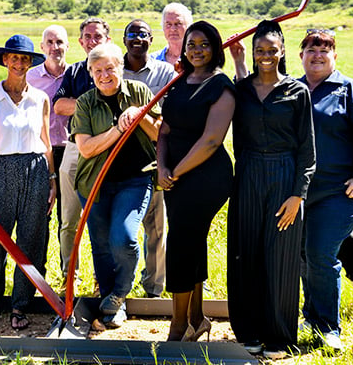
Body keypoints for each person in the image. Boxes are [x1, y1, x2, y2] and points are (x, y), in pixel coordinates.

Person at [227, 20, 316, 360]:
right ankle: (248, 332)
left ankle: (278, 338)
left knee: (280, 259)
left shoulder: (298, 92)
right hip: (247, 173)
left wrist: (298, 195)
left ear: (282, 52)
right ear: (253, 53)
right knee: (245, 253)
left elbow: (308, 150)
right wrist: (236, 62)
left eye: (272, 50)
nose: (266, 56)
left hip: (284, 176)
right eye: (259, 50)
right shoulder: (242, 89)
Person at [298, 29, 353, 352]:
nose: (317, 56)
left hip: (345, 190)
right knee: (305, 252)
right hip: (306, 190)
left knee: (320, 250)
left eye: (325, 51)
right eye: (311, 50)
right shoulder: (295, 88)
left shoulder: (351, 92)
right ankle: (311, 316)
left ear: (335, 56)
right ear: (301, 55)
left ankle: (329, 328)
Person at [72, 43, 162, 328]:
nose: (105, 75)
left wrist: (139, 114)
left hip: (135, 180)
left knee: (122, 238)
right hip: (95, 183)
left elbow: (159, 132)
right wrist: (118, 130)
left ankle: (119, 293)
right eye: (98, 71)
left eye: (110, 68)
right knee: (100, 245)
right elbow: (86, 149)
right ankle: (111, 303)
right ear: (90, 74)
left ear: (120, 68)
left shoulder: (139, 92)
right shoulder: (86, 102)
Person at [156, 21, 235, 341]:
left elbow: (212, 140)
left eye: (204, 44)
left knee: (179, 244)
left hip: (206, 177)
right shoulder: (178, 82)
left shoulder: (222, 86)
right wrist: (162, 167)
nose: (197, 49)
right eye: (191, 44)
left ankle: (178, 327)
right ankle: (197, 318)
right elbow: (164, 130)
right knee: (191, 242)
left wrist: (175, 172)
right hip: (174, 177)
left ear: (215, 48)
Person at [0, 34, 56, 331]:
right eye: (14, 58)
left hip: (35, 168)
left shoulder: (41, 98)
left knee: (31, 239)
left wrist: (52, 180)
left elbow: (46, 142)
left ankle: (20, 305)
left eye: (25, 59)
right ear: (5, 61)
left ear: (31, 63)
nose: (19, 63)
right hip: (2, 169)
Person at [52, 17, 111, 286]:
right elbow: (59, 106)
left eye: (97, 36)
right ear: (80, 42)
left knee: (103, 219)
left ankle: (104, 278)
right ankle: (69, 277)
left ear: (107, 40)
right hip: (74, 148)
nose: (92, 41)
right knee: (68, 220)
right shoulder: (75, 72)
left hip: (108, 149)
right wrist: (88, 105)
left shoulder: (112, 70)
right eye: (87, 37)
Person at [121, 19, 175, 299]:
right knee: (120, 228)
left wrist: (139, 115)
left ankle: (153, 287)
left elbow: (170, 116)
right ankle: (118, 287)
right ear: (124, 40)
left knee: (155, 227)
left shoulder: (165, 72)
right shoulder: (113, 70)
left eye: (143, 34)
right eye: (132, 34)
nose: (137, 38)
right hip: (118, 158)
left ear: (151, 39)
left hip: (155, 155)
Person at [26, 25, 70, 272]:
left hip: (67, 149)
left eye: (59, 42)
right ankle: (37, 273)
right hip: (38, 151)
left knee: (68, 216)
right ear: (42, 48)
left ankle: (67, 272)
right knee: (40, 214)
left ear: (67, 46)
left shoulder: (75, 75)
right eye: (50, 42)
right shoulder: (30, 77)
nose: (55, 47)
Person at [150, 3, 193, 67]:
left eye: (178, 24)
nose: (173, 29)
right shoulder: (152, 60)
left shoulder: (195, 60)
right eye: (168, 24)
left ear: (188, 26)